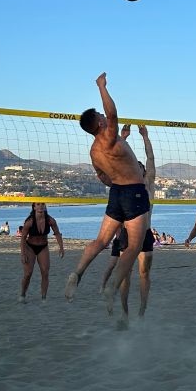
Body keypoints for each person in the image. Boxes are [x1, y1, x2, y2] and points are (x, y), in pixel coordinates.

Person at [65, 72, 151, 315]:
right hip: (133, 192)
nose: (105, 117)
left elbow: (103, 177)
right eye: (102, 117)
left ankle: (77, 273)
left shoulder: (94, 151)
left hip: (116, 193)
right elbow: (112, 113)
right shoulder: (108, 137)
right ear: (100, 124)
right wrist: (101, 86)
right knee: (133, 247)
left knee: (101, 241)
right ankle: (113, 288)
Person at [98, 123, 157, 326]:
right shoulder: (124, 183)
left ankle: (142, 312)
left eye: (141, 168)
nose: (140, 168)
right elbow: (115, 160)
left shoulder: (148, 185)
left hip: (146, 233)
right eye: (137, 167)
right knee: (125, 275)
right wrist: (122, 137)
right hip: (126, 233)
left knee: (144, 273)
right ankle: (124, 313)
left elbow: (150, 159)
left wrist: (145, 136)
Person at [19, 202, 64, 303]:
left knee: (45, 272)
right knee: (28, 274)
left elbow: (57, 233)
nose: (41, 206)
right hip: (30, 247)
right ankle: (23, 294)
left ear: (45, 206)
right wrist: (23, 254)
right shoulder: (30, 221)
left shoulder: (50, 220)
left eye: (43, 204)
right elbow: (22, 238)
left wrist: (61, 247)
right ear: (34, 207)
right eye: (38, 204)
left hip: (43, 247)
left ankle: (44, 298)